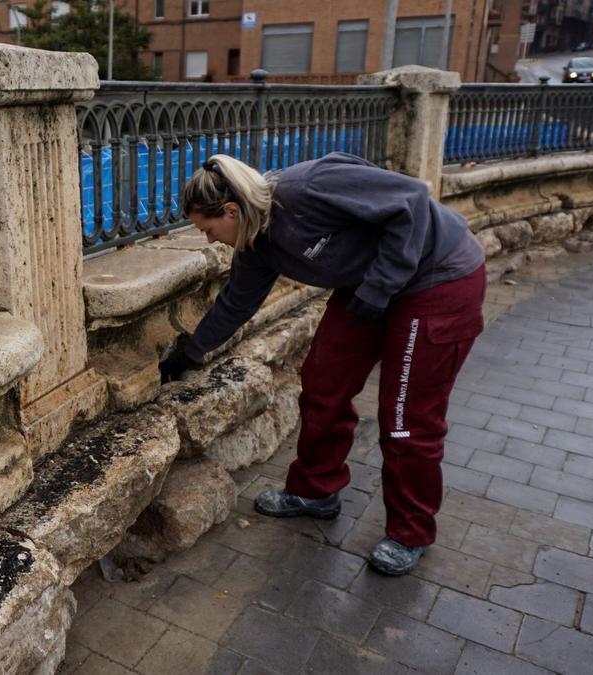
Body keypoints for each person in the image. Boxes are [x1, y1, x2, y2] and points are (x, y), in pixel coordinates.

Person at [160, 152, 486, 576]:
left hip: (436, 279)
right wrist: (192, 353)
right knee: (322, 381)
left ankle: (411, 532)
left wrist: (382, 285)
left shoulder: (308, 188)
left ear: (231, 210)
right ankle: (316, 491)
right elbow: (237, 301)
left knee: (405, 418)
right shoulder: (257, 242)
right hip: (370, 285)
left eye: (208, 229)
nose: (208, 240)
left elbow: (411, 200)